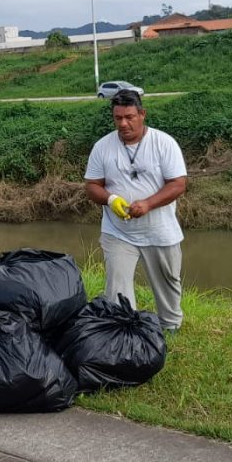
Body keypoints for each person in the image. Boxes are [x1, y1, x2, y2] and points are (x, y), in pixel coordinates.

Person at [83, 89, 188, 330]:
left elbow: (178, 184)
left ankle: (170, 326)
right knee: (117, 286)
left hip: (159, 231)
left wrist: (148, 203)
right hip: (118, 231)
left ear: (142, 114)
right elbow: (92, 186)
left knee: (168, 281)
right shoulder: (102, 147)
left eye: (129, 117)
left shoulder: (164, 143)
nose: (123, 123)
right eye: (118, 118)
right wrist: (111, 200)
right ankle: (124, 329)